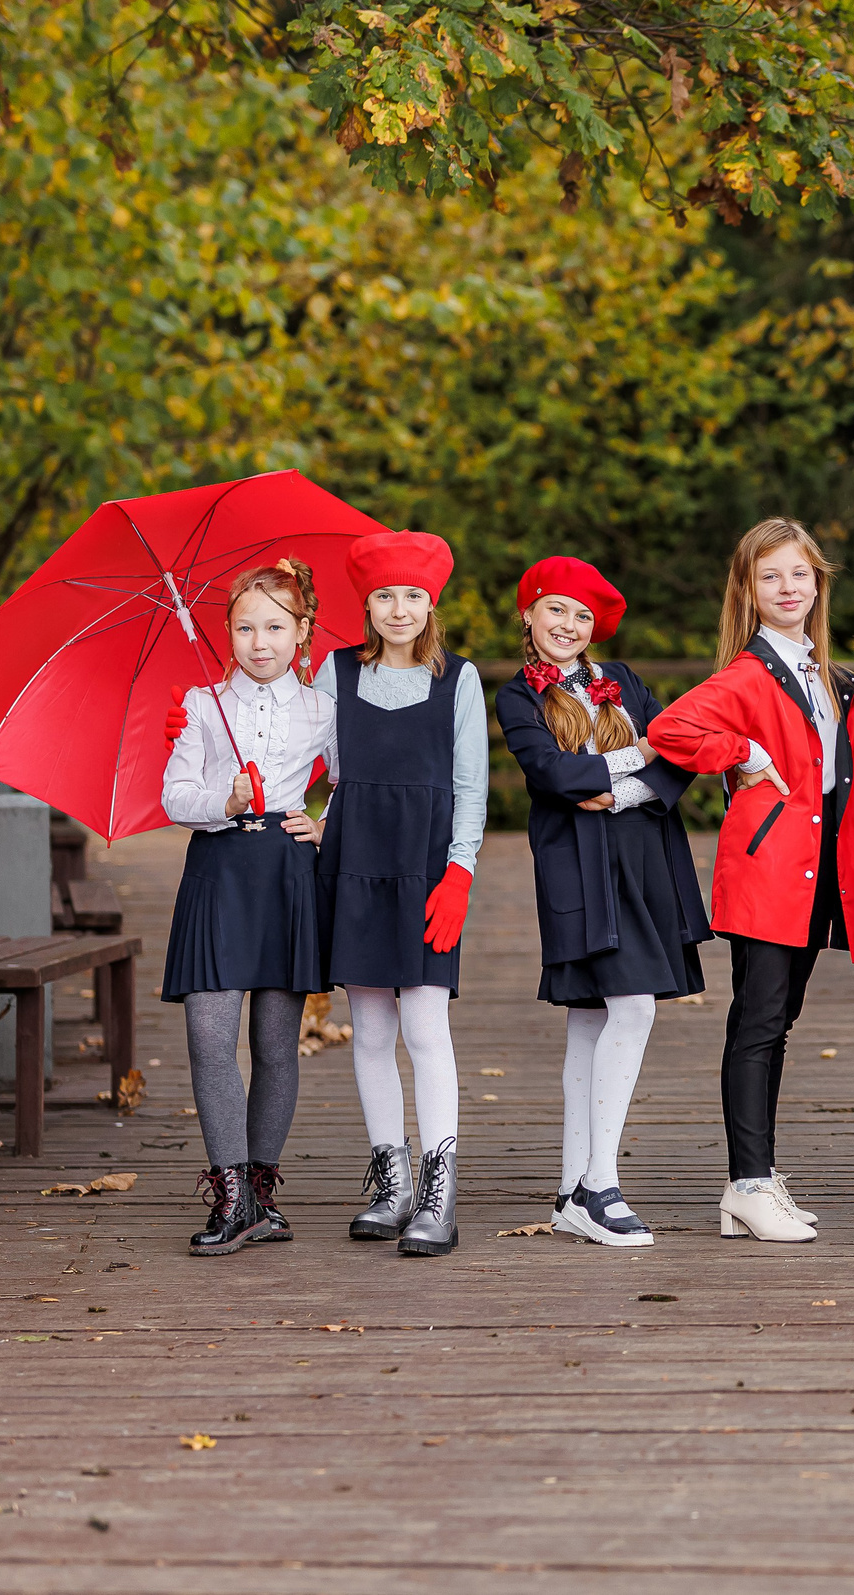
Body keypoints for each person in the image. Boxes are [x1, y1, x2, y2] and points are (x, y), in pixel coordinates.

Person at [647, 519, 854, 1245]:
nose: (788, 588)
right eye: (771, 576)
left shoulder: (827, 672)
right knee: (756, 1022)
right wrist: (741, 749)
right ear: (749, 589)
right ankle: (747, 1180)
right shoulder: (748, 672)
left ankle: (757, 1177)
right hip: (767, 869)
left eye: (799, 575)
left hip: (815, 874)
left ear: (818, 584)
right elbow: (670, 730)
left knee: (778, 1023)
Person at [496, 556, 708, 1249]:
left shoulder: (626, 685)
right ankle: (598, 1185)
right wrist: (629, 755)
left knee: (597, 1017)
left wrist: (616, 790)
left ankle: (571, 1186)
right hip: (574, 866)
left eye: (582, 615)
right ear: (530, 614)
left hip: (641, 859)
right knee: (621, 1006)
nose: (568, 625)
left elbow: (676, 756)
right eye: (556, 609)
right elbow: (554, 773)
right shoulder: (518, 697)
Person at [317, 530, 489, 1259]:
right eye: (384, 595)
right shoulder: (336, 673)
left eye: (412, 595)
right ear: (367, 602)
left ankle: (436, 1189)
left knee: (424, 1026)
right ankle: (390, 1183)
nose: (398, 608)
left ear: (431, 603)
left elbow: (471, 786)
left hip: (425, 866)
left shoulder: (460, 679)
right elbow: (314, 764)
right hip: (354, 860)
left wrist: (461, 871)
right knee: (372, 1028)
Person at [159, 557, 333, 1255]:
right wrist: (222, 801)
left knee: (273, 1043)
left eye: (274, 626)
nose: (259, 641)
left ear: (301, 630)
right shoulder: (203, 704)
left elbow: (356, 777)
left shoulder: (324, 706)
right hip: (218, 874)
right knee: (208, 1036)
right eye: (244, 626)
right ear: (225, 632)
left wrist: (328, 822)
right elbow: (176, 796)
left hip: (288, 874)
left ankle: (261, 1192)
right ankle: (230, 1194)